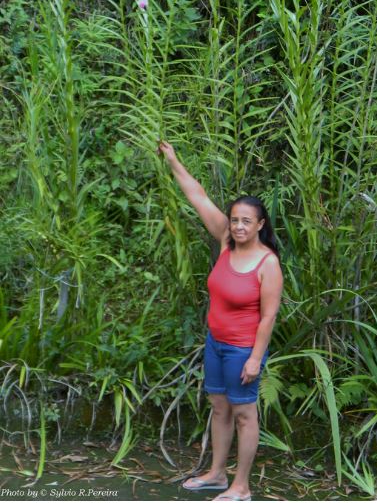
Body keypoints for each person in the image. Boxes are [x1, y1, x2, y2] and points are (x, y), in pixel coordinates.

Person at [158, 141, 284, 502]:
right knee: (218, 407)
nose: (239, 226)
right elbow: (197, 195)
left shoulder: (268, 263)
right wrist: (173, 160)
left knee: (245, 413)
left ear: (260, 224)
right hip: (216, 343)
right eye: (235, 219)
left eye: (247, 221)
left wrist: (255, 358)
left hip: (243, 348)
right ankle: (216, 473)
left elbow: (268, 315)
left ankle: (241, 486)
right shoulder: (227, 241)